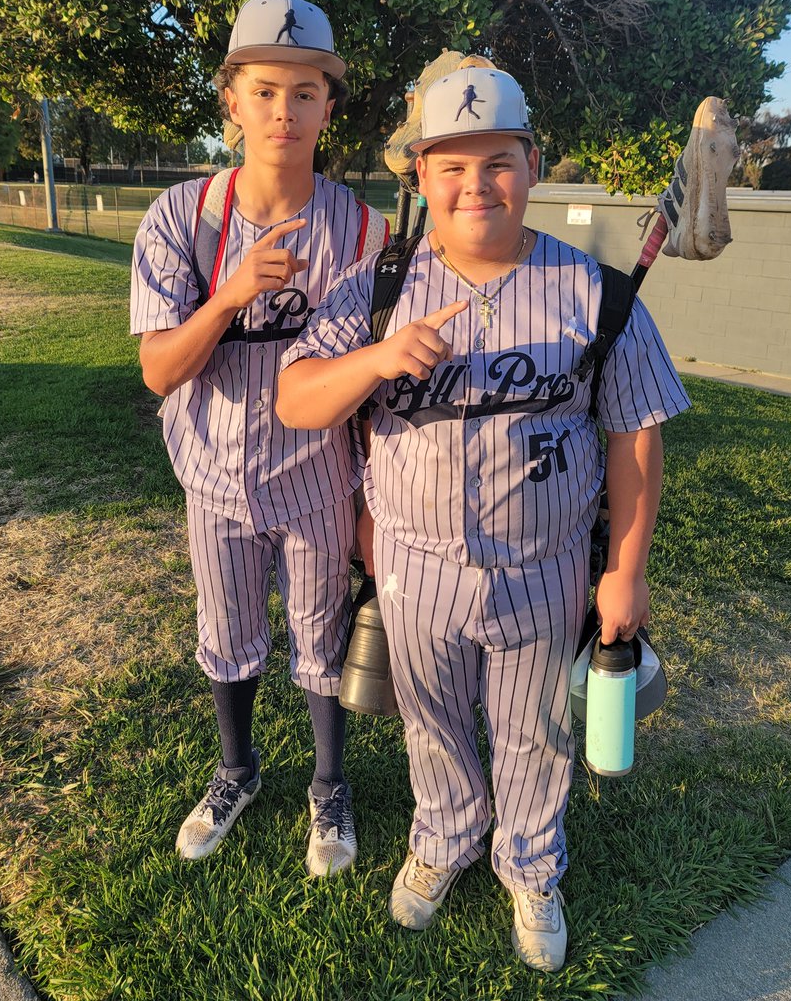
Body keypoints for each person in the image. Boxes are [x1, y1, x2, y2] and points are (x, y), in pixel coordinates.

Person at [276, 66, 690, 970]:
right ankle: (447, 835)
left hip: (545, 566)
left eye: (498, 161)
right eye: (451, 165)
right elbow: (298, 398)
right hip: (415, 563)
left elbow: (635, 437)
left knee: (536, 729)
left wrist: (626, 569)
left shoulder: (594, 291)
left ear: (532, 165)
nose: (476, 185)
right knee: (432, 719)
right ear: (420, 175)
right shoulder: (379, 287)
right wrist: (379, 358)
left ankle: (532, 862)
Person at [129, 0, 388, 872]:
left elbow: (373, 385)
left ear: (327, 105)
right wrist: (230, 296)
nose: (286, 111)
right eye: (266, 90)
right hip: (212, 472)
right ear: (232, 100)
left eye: (306, 92)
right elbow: (160, 369)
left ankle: (327, 787)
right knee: (230, 628)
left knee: (319, 638)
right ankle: (235, 770)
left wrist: (371, 504)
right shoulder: (183, 217)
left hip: (318, 477)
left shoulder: (363, 229)